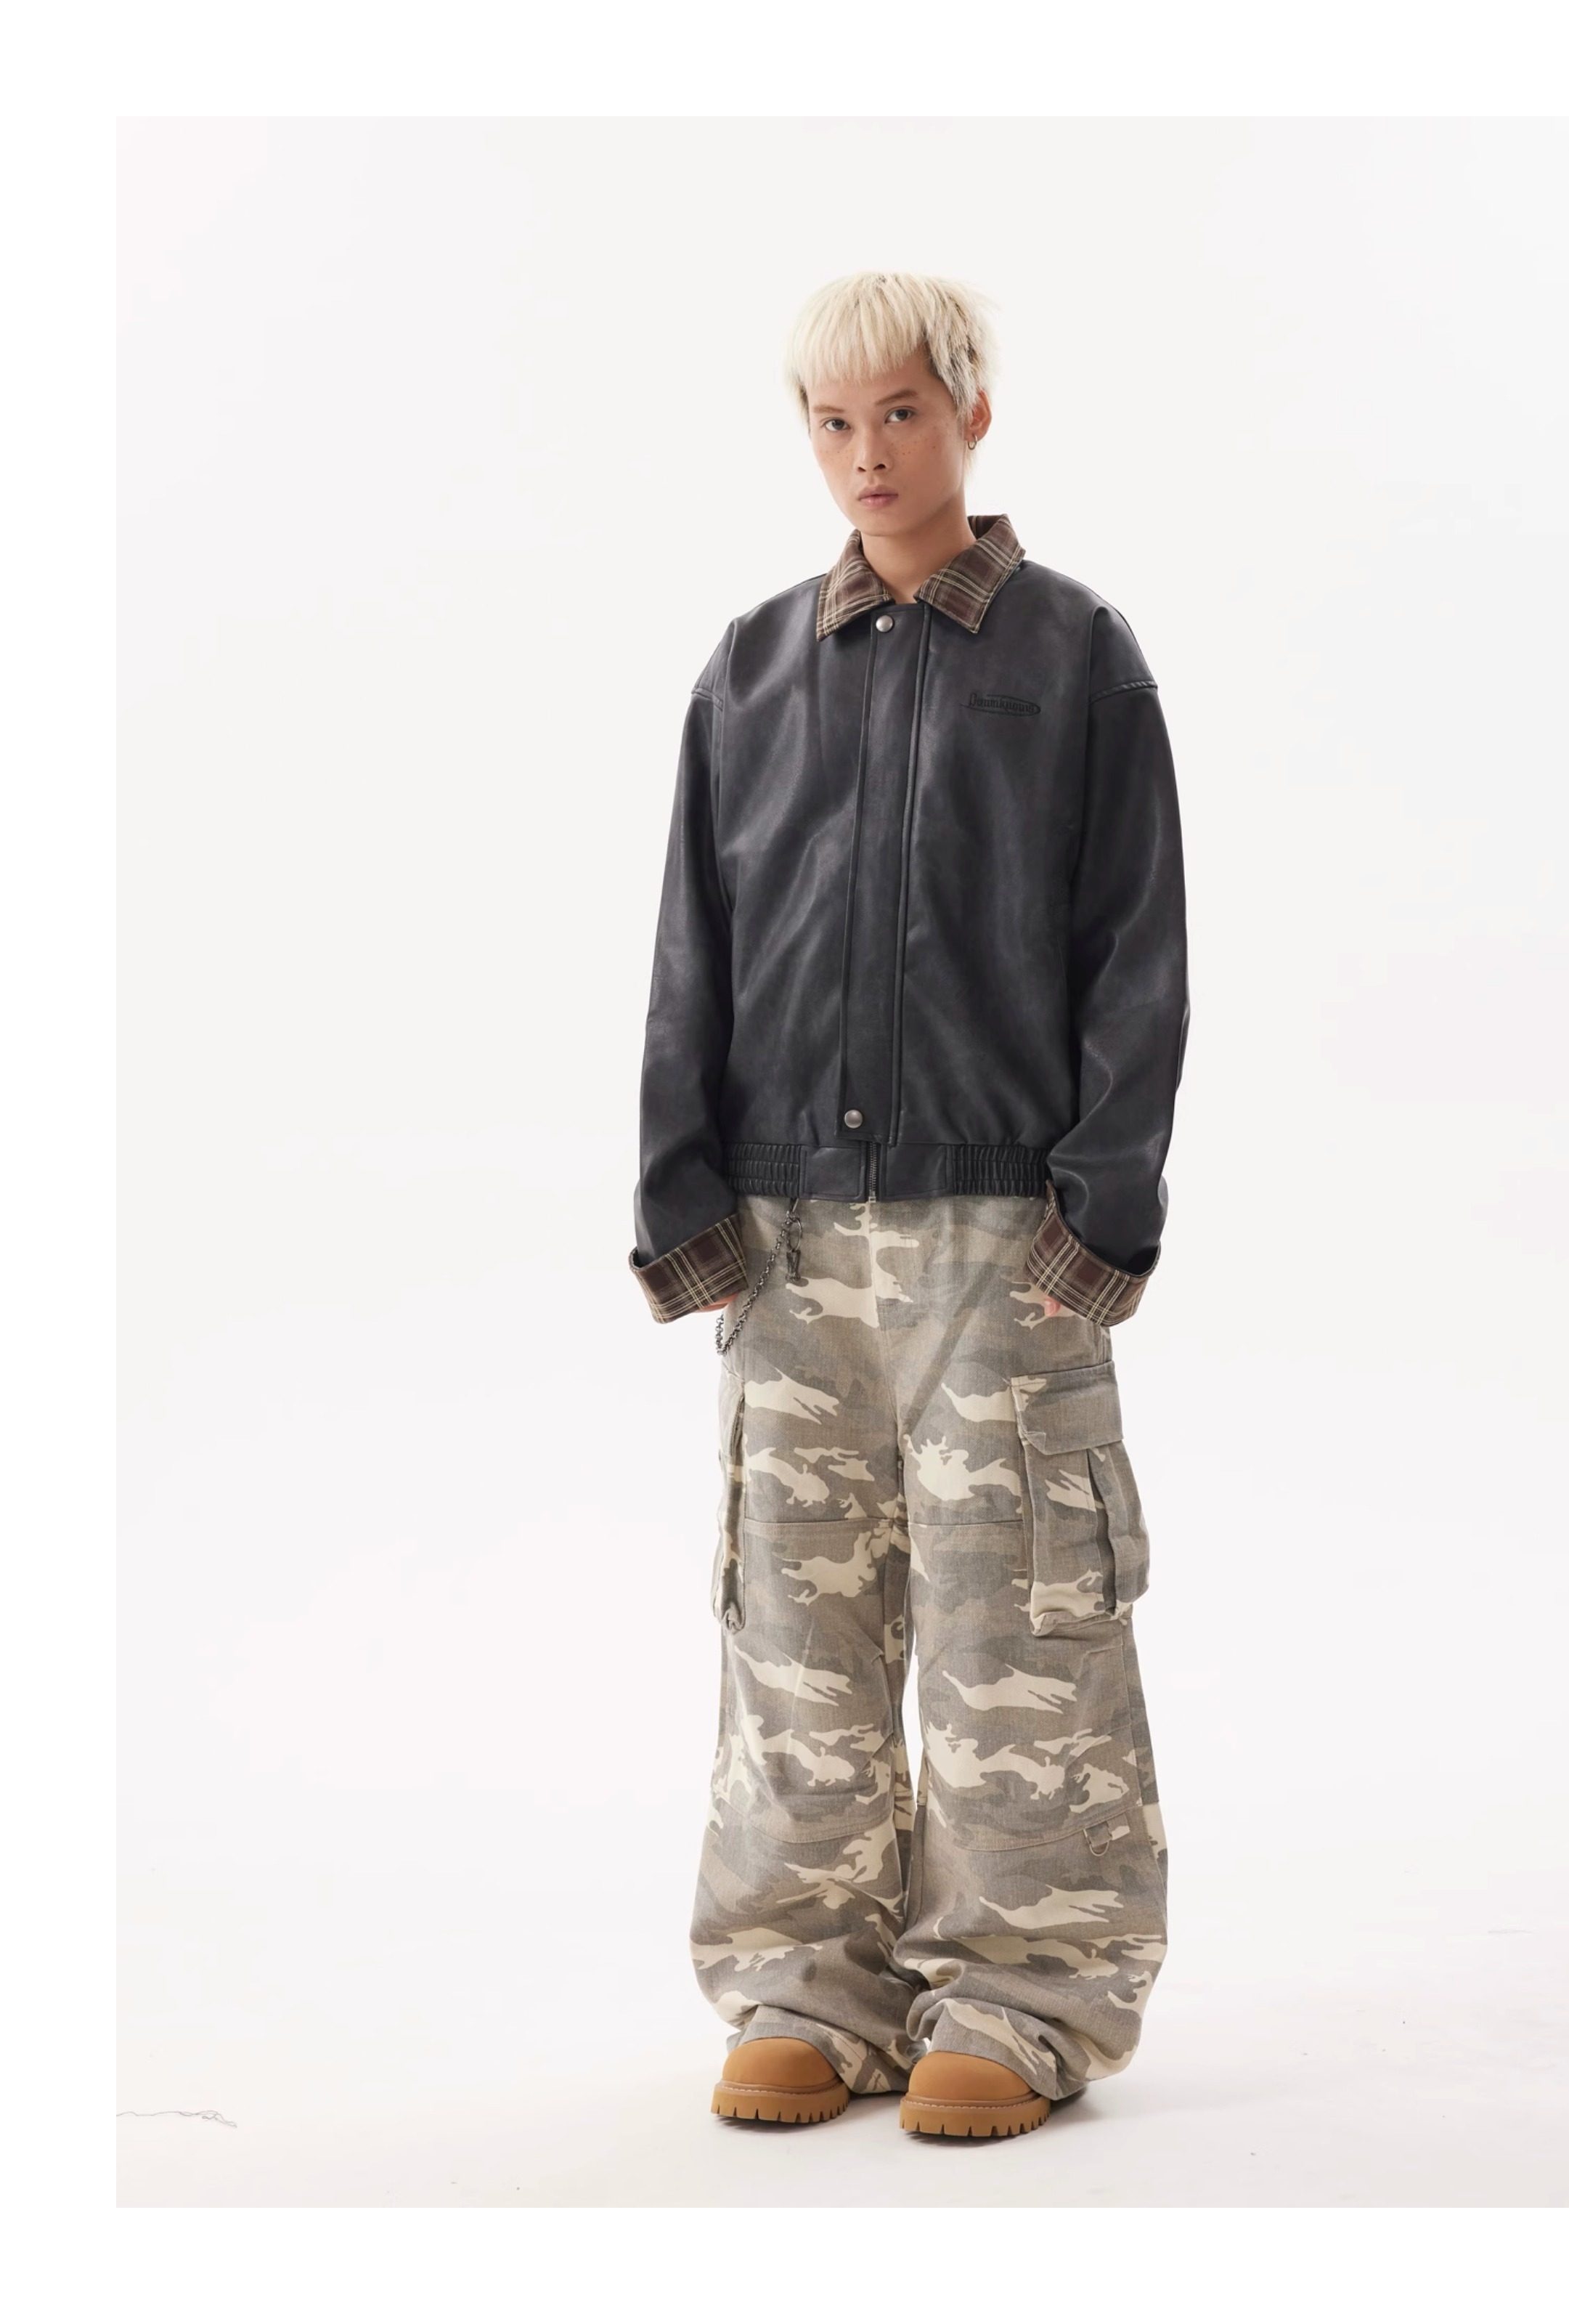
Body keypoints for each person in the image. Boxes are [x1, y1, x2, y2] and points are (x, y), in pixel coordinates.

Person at [628, 270, 1189, 2140]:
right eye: (832, 421)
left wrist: (1096, 1217)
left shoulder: (1075, 654)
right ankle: (812, 1980)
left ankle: (1025, 1993)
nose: (867, 453)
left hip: (1002, 1243)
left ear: (970, 413)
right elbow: (692, 946)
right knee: (795, 1630)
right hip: (790, 1241)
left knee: (1017, 1624)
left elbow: (1135, 947)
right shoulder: (752, 668)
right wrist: (689, 1200)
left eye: (901, 413)